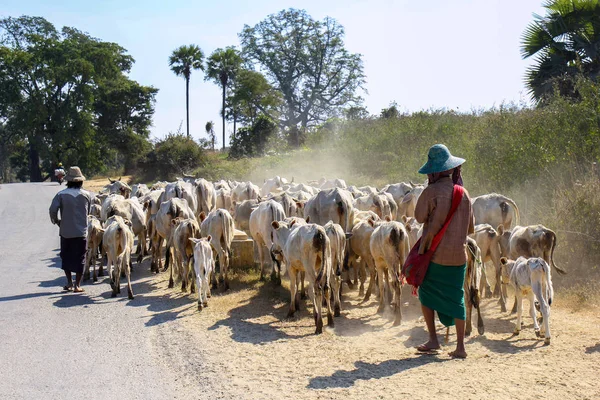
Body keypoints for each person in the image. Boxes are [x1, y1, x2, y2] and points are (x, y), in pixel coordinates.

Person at [414, 144, 474, 358]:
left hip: (434, 255)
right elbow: (471, 228)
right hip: (459, 256)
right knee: (457, 298)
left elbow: (419, 217)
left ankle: (433, 339)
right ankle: (460, 347)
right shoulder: (464, 193)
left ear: (435, 171)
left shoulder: (431, 191)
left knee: (426, 294)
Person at [49, 166, 95, 293]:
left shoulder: (61, 195)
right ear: (81, 181)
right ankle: (77, 285)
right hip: (81, 232)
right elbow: (89, 211)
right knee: (81, 257)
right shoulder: (86, 195)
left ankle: (69, 282)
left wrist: (57, 221)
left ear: (68, 181)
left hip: (66, 232)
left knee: (66, 256)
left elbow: (53, 210)